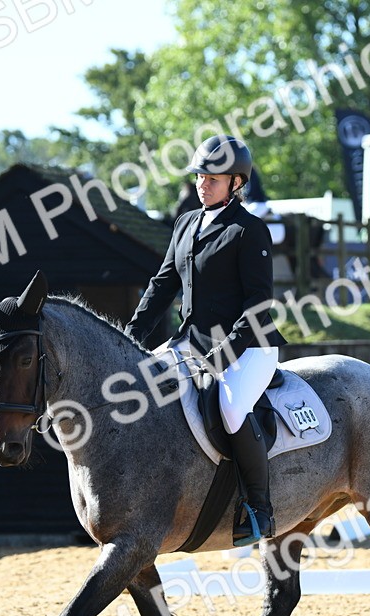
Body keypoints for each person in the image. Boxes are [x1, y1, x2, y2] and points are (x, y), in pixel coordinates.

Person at [125, 135, 287, 546]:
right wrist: (132, 335)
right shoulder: (185, 223)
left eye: (213, 178)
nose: (203, 184)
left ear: (236, 182)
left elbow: (258, 302)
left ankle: (258, 507)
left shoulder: (249, 230)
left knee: (231, 408)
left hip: (249, 346)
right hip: (191, 342)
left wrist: (225, 352)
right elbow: (163, 284)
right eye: (200, 176)